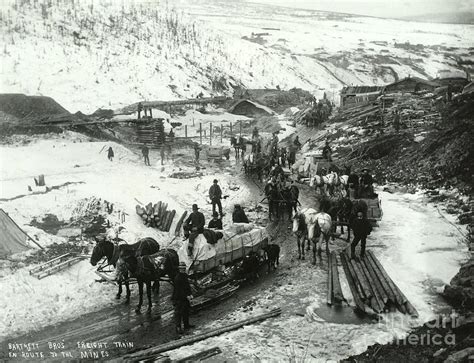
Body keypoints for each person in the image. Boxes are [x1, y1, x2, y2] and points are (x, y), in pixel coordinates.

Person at [172, 262, 194, 334]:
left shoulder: (185, 275)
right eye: (182, 269)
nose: (183, 270)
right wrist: (186, 296)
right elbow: (179, 290)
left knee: (186, 311)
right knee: (178, 313)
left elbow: (187, 286)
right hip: (178, 298)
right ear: (179, 269)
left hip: (185, 297)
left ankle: (186, 325)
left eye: (184, 269)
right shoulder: (177, 278)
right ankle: (178, 327)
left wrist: (190, 294)